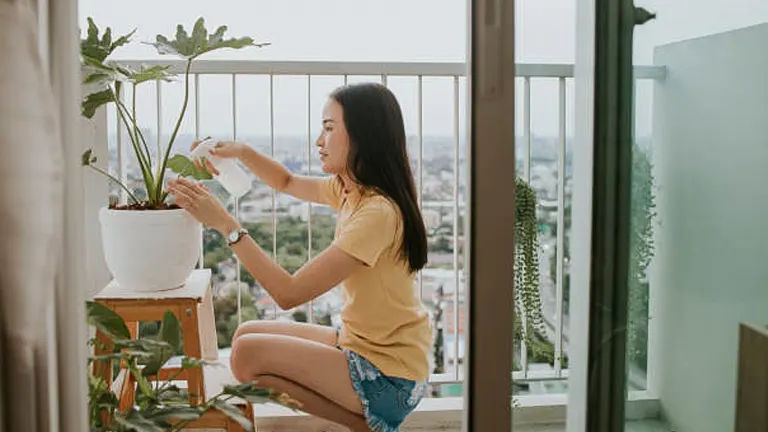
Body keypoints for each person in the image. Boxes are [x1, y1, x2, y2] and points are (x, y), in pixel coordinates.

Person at [168, 82, 432, 432]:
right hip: (361, 345)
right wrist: (241, 152)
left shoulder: (378, 213)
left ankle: (365, 425)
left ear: (363, 135)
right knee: (245, 334)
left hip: (389, 376)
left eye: (328, 128)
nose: (318, 142)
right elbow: (287, 181)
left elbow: (289, 294)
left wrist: (225, 225)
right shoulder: (350, 190)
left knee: (246, 356)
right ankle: (365, 424)